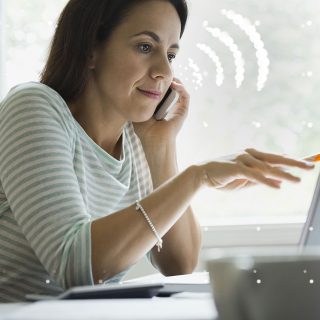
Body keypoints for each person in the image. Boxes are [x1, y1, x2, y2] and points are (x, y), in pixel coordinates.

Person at [0, 0, 314, 302]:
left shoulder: (136, 136)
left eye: (171, 54)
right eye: (145, 47)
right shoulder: (32, 107)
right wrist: (197, 176)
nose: (164, 70)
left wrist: (161, 147)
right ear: (91, 49)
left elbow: (180, 264)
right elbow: (76, 267)